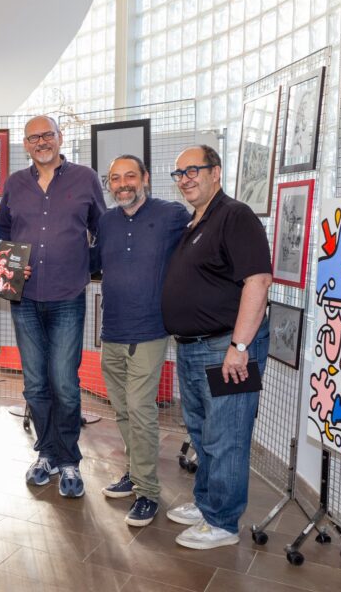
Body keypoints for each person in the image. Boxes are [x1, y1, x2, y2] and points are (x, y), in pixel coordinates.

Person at [161, 145, 272, 549]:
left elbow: (258, 281)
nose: (185, 179)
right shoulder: (196, 221)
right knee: (203, 433)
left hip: (227, 348)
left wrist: (239, 346)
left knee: (227, 436)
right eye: (179, 173)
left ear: (216, 172)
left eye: (193, 170)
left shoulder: (235, 216)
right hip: (193, 348)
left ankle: (223, 522)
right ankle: (207, 503)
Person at [0, 115, 105, 498]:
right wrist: (12, 267)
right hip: (24, 300)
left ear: (60, 138)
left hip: (67, 297)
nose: (41, 142)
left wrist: (84, 267)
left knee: (64, 383)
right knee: (35, 383)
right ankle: (46, 454)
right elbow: (4, 233)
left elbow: (102, 230)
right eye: (33, 137)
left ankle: (69, 459)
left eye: (47, 135)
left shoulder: (85, 178)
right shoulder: (15, 184)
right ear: (25, 144)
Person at [96, 155, 189, 526]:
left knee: (140, 409)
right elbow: (92, 261)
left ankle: (148, 491)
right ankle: (135, 473)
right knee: (121, 409)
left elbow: (196, 254)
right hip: (112, 330)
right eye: (115, 178)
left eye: (130, 176)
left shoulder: (171, 215)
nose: (123, 184)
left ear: (145, 178)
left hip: (150, 330)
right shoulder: (106, 221)